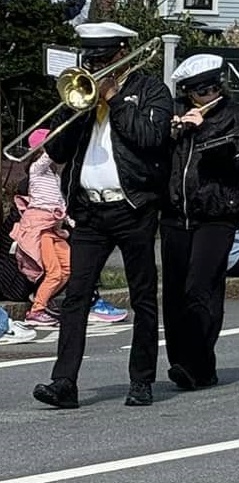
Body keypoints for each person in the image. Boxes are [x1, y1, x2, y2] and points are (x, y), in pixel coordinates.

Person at [33, 22, 174, 409]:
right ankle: (64, 382)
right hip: (90, 211)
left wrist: (114, 100)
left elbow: (151, 139)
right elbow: (57, 152)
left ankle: (142, 379)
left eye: (104, 57)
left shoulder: (151, 91)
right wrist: (76, 108)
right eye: (91, 58)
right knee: (76, 296)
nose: (96, 65)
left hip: (134, 206)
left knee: (142, 296)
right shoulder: (84, 97)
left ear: (123, 52)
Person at [160, 54, 239, 392]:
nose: (209, 94)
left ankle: (199, 365)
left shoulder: (238, 116)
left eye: (214, 86)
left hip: (218, 212)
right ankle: (180, 362)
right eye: (200, 91)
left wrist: (202, 131)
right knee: (174, 293)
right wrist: (170, 134)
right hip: (176, 213)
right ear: (188, 93)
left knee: (201, 288)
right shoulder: (174, 113)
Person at [11, 129, 69, 327]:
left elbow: (60, 202)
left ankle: (40, 297)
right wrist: (58, 139)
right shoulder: (37, 168)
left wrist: (69, 218)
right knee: (54, 271)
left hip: (53, 227)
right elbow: (48, 156)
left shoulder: (55, 175)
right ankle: (36, 311)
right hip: (40, 228)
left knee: (68, 268)